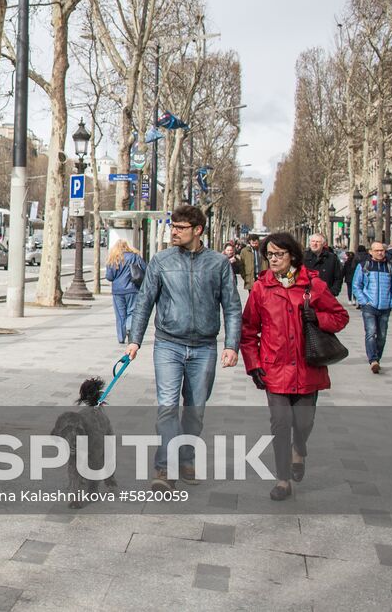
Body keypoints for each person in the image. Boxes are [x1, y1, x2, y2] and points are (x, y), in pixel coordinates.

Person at [126, 204, 241, 489]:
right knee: (167, 407)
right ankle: (164, 468)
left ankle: (187, 458)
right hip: (168, 344)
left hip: (204, 348)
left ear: (198, 230)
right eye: (172, 226)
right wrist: (134, 340)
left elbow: (232, 307)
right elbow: (144, 301)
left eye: (180, 228)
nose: (173, 232)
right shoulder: (161, 261)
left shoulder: (218, 264)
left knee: (195, 411)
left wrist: (231, 345)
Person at [241, 232, 349, 501]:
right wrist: (253, 364)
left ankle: (299, 449)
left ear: (293, 256)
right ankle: (282, 480)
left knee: (304, 421)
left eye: (279, 254)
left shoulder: (313, 285)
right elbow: (248, 330)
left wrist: (318, 317)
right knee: (280, 423)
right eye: (270, 255)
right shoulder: (261, 288)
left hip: (307, 367)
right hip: (274, 368)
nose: (273, 259)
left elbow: (340, 317)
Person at [352, 240, 392, 373]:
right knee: (371, 332)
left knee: (382, 335)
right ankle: (373, 360)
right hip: (369, 306)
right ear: (371, 252)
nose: (380, 253)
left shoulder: (390, 267)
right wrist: (364, 301)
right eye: (377, 250)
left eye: (382, 250)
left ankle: (377, 358)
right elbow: (356, 285)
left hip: (385, 306)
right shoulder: (364, 266)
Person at [105, 240, 146, 344]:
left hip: (118, 291)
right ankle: (129, 327)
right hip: (133, 289)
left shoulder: (113, 258)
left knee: (120, 314)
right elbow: (144, 269)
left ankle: (121, 337)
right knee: (132, 311)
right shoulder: (135, 257)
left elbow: (109, 277)